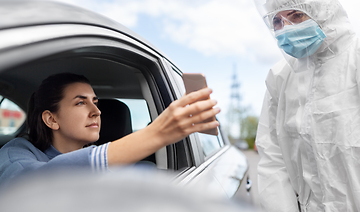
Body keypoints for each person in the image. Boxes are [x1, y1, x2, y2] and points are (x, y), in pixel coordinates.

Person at [254, 0, 360, 211]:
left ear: (323, 9)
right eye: (277, 22)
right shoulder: (280, 77)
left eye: (296, 15)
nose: (286, 29)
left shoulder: (355, 57)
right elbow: (273, 158)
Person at [0, 73, 220, 185]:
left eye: (95, 101)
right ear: (51, 119)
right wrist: (157, 133)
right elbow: (29, 185)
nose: (97, 110)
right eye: (80, 102)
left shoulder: (129, 168)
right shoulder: (18, 152)